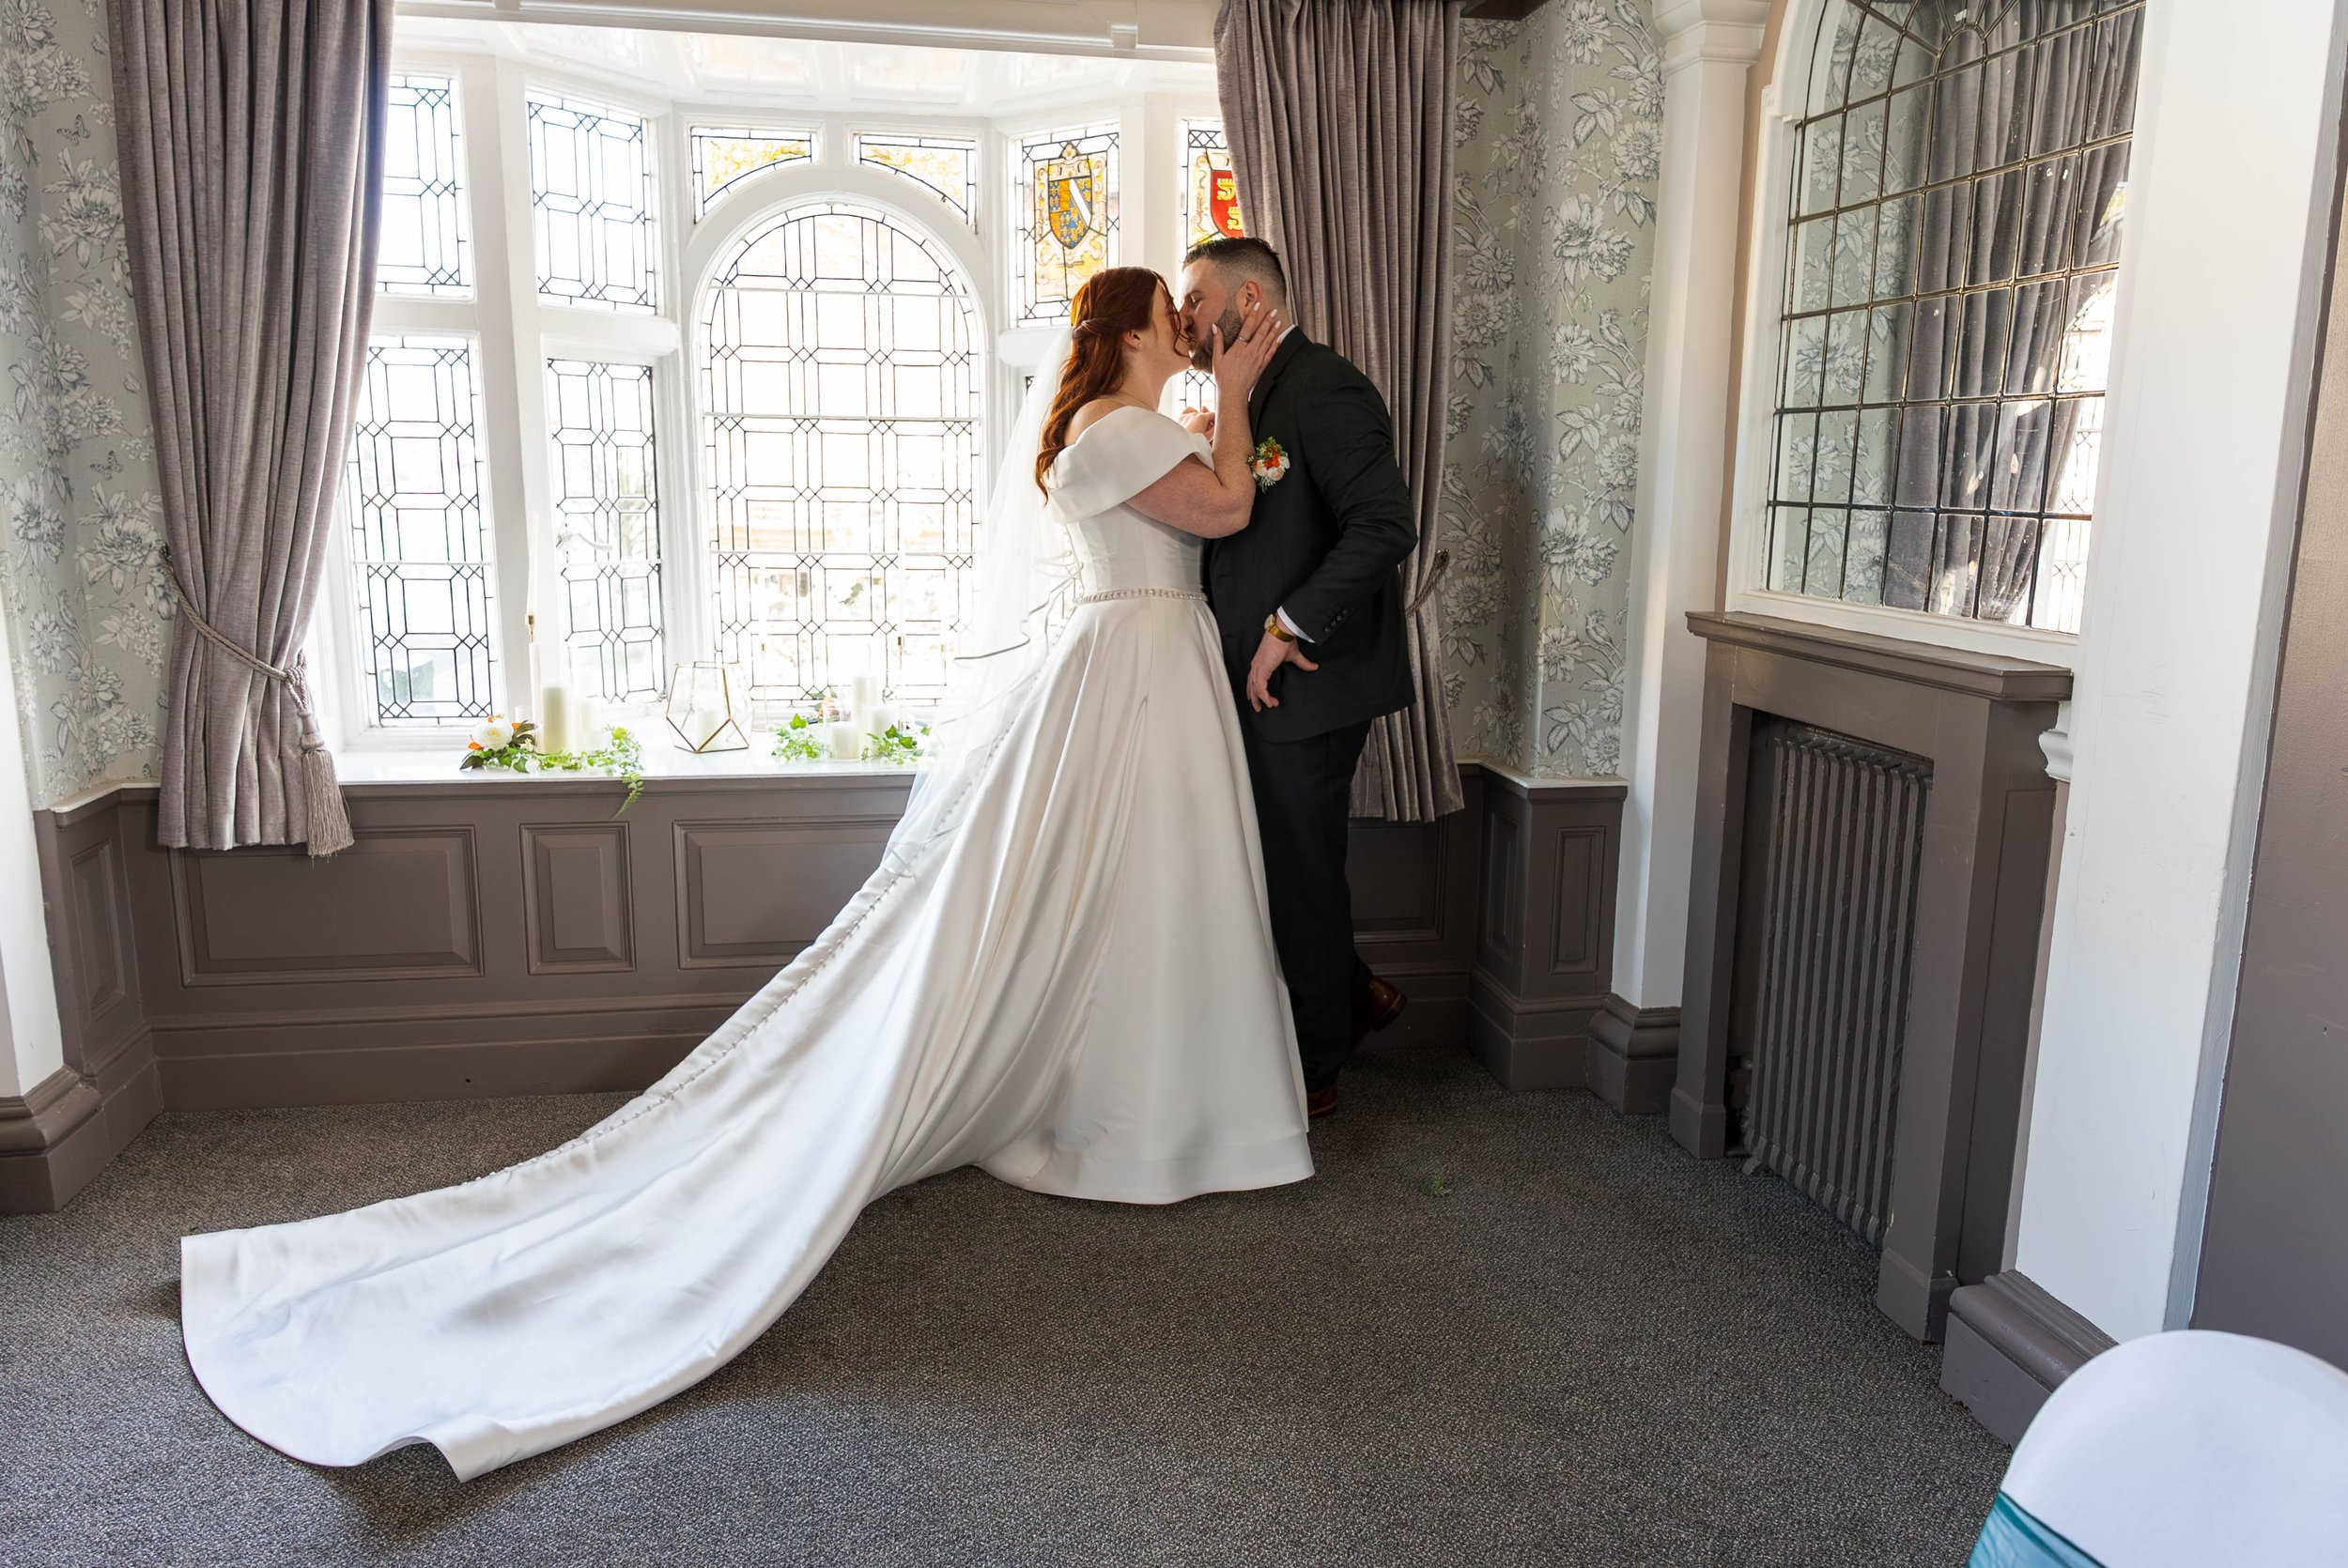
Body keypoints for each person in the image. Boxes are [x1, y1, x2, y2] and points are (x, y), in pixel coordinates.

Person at [178, 268, 1304, 1482]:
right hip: (1141, 662)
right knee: (1125, 893)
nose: (1190, 329)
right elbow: (1231, 510)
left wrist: (1210, 399)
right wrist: (1234, 386)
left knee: (1131, 897)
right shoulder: (1124, 425)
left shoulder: (1107, 425)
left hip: (1132, 661)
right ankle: (1137, 1118)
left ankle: (1130, 1101)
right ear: (1139, 328)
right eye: (1174, 316)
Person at [1176, 237, 1421, 1119]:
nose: (1185, 318)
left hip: (1310, 677)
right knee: (1277, 858)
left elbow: (1386, 525)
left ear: (1248, 300)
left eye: (1195, 299)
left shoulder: (1326, 387)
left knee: (1300, 868)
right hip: (1247, 679)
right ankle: (1352, 996)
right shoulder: (1245, 398)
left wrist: (1287, 627)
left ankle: (1318, 1066)